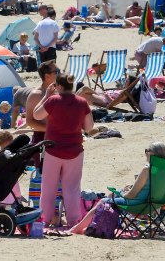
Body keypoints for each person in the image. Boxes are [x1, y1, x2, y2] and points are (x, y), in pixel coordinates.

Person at [32, 73, 92, 227]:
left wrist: (46, 95)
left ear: (58, 86)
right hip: (75, 150)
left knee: (48, 187)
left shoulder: (53, 100)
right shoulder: (82, 102)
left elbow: (36, 115)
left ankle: (45, 220)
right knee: (72, 187)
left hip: (53, 149)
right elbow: (90, 127)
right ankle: (73, 221)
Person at [69, 142, 165, 235]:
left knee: (103, 201)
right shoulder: (164, 169)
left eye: (147, 150)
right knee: (112, 195)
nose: (146, 153)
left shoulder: (147, 169)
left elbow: (132, 195)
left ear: (153, 154)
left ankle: (77, 228)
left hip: (138, 204)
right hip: (155, 204)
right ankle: (100, 226)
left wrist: (122, 194)